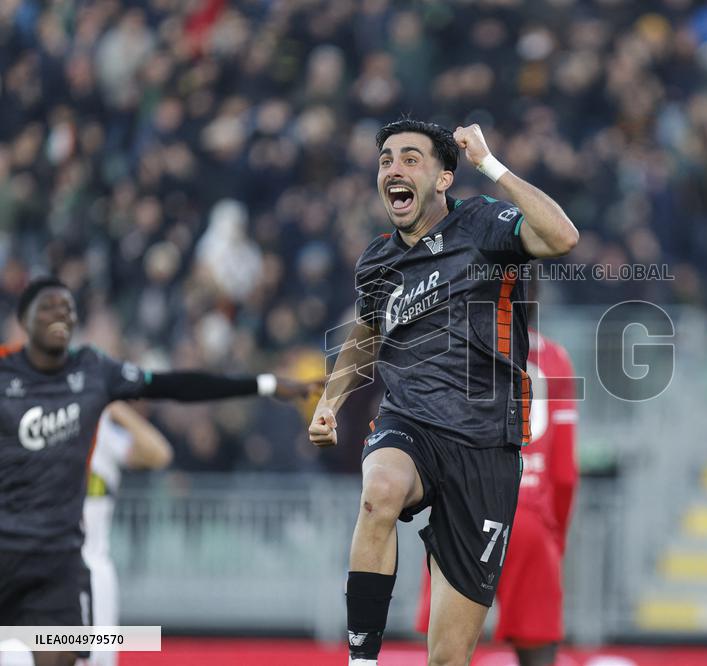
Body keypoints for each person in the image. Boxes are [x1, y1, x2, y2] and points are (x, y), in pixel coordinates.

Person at [308, 119, 578, 666]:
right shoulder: (377, 261)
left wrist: (493, 166)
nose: (393, 169)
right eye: (385, 160)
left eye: (410, 158)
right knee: (379, 489)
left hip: (486, 447)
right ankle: (362, 661)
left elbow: (562, 236)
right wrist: (329, 401)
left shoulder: (485, 223)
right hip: (411, 422)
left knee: (448, 659)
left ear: (444, 177)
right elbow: (366, 332)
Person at [0, 276, 316, 666]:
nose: (60, 315)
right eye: (48, 308)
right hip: (7, 552)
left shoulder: (93, 372)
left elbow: (176, 385)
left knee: (67, 658)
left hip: (60, 562)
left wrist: (263, 384)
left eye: (67, 308)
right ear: (24, 319)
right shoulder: (4, 372)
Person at [415, 324, 578, 666]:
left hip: (466, 514)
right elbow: (564, 475)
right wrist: (555, 540)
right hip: (529, 519)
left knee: (449, 652)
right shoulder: (555, 358)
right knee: (538, 653)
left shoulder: (453, 346)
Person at [84, 402, 173, 666]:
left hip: (92, 568)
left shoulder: (99, 428)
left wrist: (113, 405)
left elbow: (159, 453)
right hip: (38, 566)